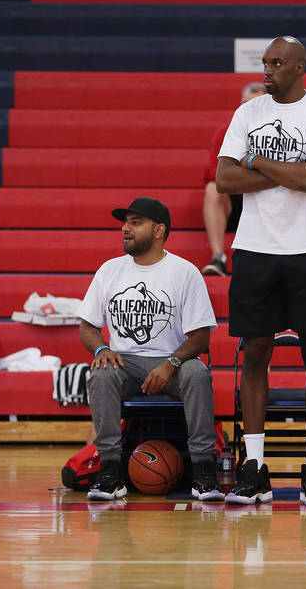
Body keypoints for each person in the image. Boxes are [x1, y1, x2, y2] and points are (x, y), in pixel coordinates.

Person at [215, 35, 306, 506]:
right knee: (255, 354)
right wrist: (285, 168)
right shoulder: (247, 112)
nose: (267, 70)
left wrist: (255, 159)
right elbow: (223, 180)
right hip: (253, 248)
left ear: (300, 68)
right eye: (266, 62)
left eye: (276, 63)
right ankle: (255, 466)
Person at [77, 197, 222, 502]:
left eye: (135, 222)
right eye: (125, 222)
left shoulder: (185, 272)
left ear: (159, 230)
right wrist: (101, 348)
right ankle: (110, 472)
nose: (125, 228)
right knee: (101, 373)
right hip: (125, 362)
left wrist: (170, 363)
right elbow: (87, 326)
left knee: (197, 373)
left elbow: (200, 338)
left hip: (175, 362)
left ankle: (204, 471)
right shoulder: (109, 270)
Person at [201, 81, 266, 276]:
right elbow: (211, 172)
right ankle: (218, 258)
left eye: (255, 105)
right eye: (245, 104)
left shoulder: (278, 134)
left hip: (264, 200)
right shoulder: (226, 131)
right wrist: (246, 178)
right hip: (234, 201)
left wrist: (236, 174)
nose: (249, 110)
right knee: (212, 189)